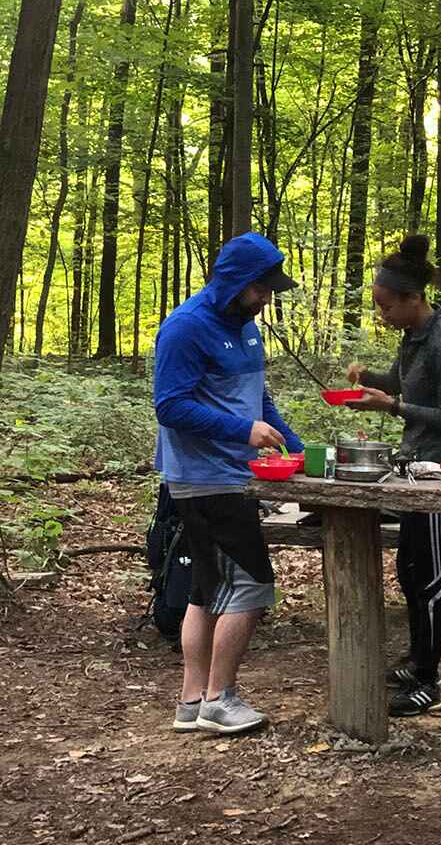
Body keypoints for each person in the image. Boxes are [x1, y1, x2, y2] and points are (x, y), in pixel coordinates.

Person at [153, 231, 304, 735]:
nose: (265, 299)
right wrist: (242, 431)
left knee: (207, 589)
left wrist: (292, 444)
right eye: (260, 289)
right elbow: (170, 406)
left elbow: (258, 402)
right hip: (204, 478)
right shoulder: (185, 327)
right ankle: (220, 699)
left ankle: (191, 702)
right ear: (235, 281)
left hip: (237, 473)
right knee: (254, 586)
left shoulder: (244, 328)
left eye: (269, 290)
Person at [344, 234, 441, 717]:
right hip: (412, 468)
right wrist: (370, 381)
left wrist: (393, 406)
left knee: (433, 579)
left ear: (413, 298)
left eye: (386, 306)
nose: (383, 315)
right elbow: (399, 381)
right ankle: (417, 659)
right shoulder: (413, 337)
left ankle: (429, 679)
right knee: (410, 569)